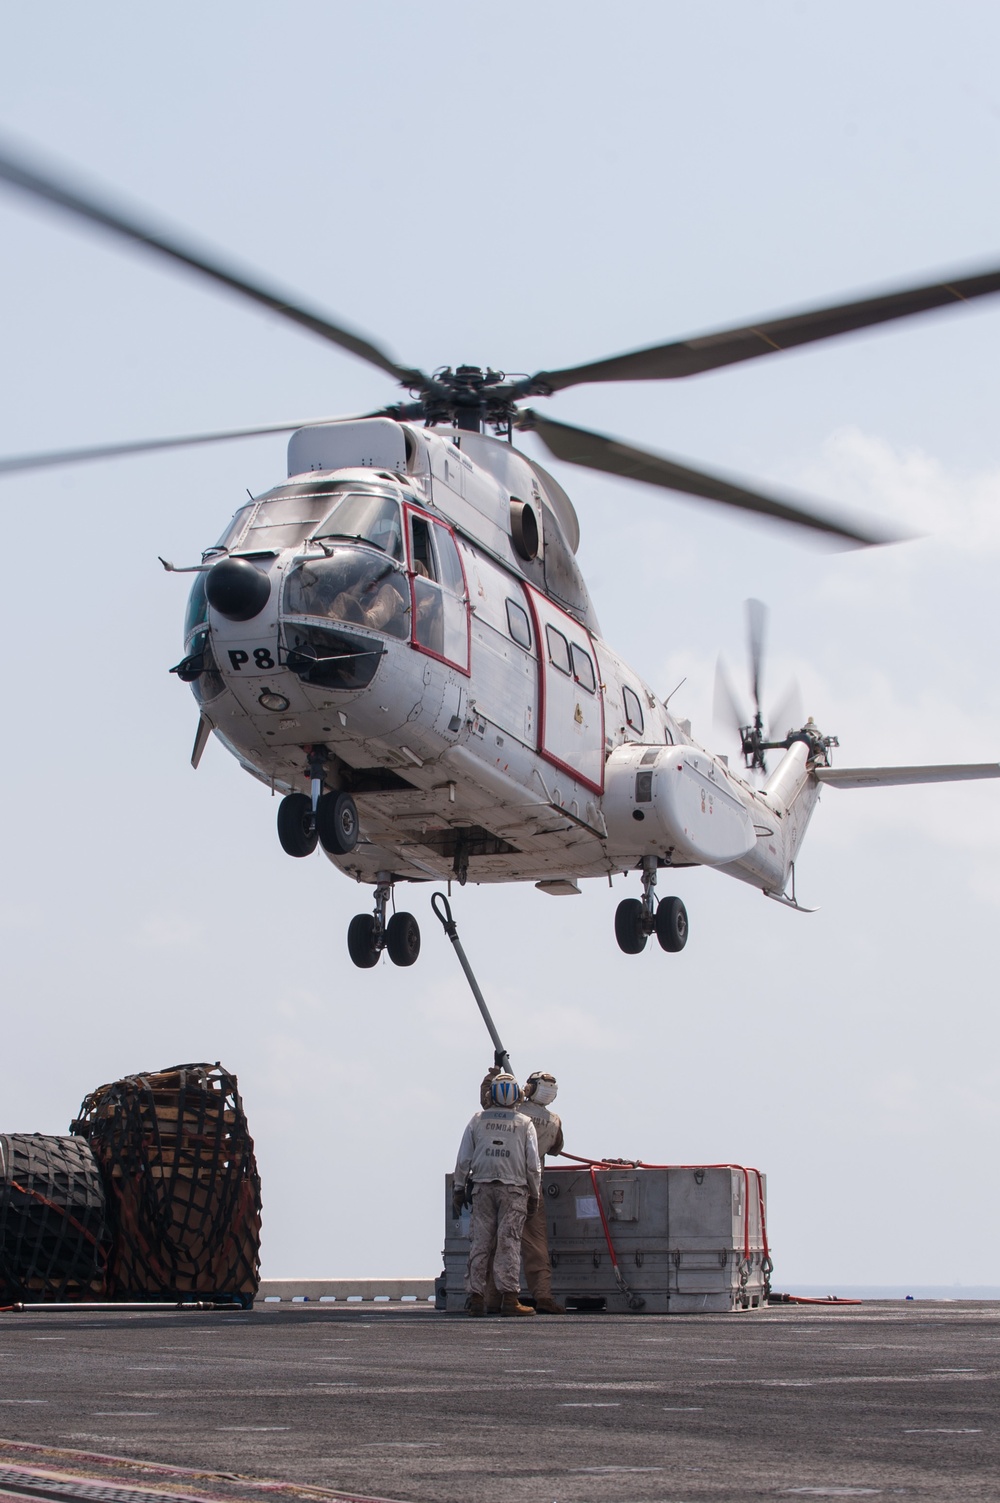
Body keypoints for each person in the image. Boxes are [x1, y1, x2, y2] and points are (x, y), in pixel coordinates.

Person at [453, 1073, 540, 1317]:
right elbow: (533, 1165)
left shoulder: (477, 1120)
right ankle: (510, 1299)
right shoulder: (524, 1123)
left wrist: (459, 1188)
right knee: (508, 1242)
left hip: (482, 1188)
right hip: (514, 1190)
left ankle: (477, 1299)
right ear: (518, 1095)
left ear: (491, 1095)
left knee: (480, 1242)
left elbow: (463, 1159)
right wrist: (535, 1195)